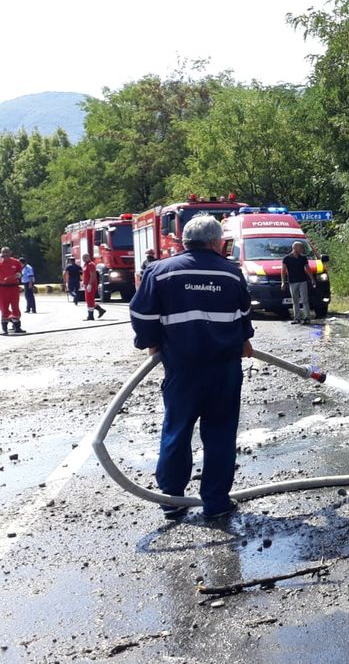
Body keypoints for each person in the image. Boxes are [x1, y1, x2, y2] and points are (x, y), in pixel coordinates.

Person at [130, 215, 254, 521]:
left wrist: (151, 341)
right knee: (221, 435)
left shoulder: (159, 271)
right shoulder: (231, 272)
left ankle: (171, 500)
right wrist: (244, 338)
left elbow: (141, 313)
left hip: (181, 368)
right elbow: (244, 313)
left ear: (185, 242)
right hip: (224, 369)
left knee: (177, 429)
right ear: (214, 242)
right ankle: (215, 503)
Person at [280, 241, 317, 324]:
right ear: (295, 248)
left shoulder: (303, 258)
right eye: (300, 247)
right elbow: (283, 270)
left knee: (305, 300)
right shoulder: (287, 258)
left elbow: (307, 269)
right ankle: (297, 318)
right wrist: (283, 282)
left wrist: (312, 279)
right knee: (295, 300)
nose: (302, 249)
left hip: (302, 281)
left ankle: (307, 317)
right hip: (292, 282)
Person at [0, 247, 24, 334]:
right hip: (2, 288)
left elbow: (20, 273)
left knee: (15, 307)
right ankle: (4, 329)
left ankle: (17, 327)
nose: (5, 254)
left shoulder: (16, 262)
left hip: (14, 288)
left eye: (6, 252)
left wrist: (18, 275)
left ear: (10, 253)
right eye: (3, 252)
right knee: (4, 308)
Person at [81, 253, 107, 321]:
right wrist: (83, 282)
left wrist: (89, 284)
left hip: (91, 285)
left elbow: (93, 275)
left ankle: (90, 316)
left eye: (84, 257)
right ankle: (100, 309)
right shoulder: (85, 264)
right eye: (83, 258)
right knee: (88, 299)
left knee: (89, 299)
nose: (83, 259)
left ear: (88, 257)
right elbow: (85, 274)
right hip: (87, 284)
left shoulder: (91, 264)